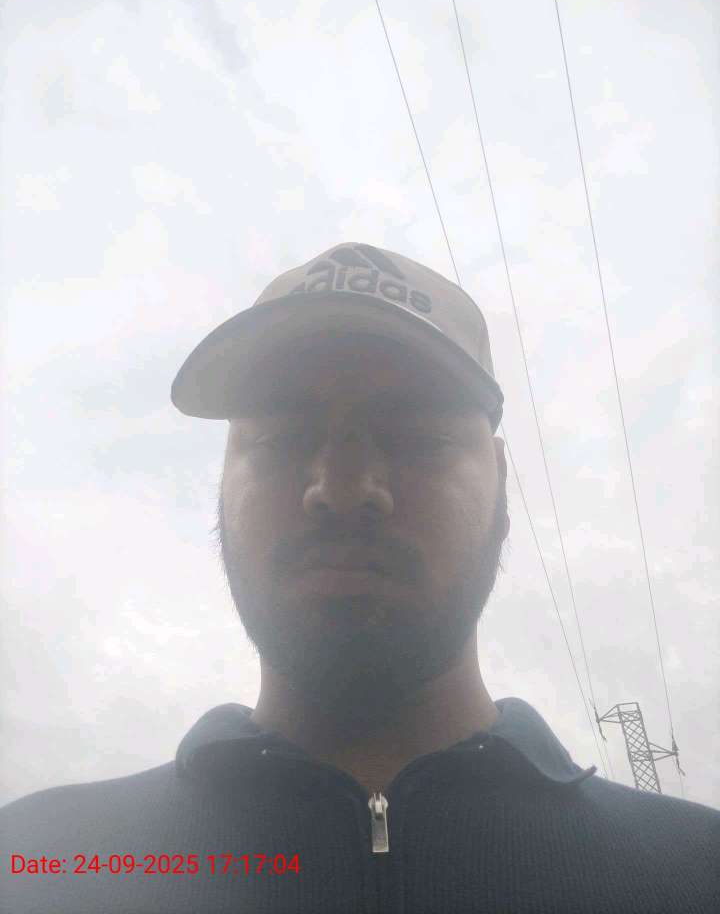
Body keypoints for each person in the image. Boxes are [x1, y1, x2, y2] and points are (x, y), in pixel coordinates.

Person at [1, 242, 718, 914]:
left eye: (416, 438)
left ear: (502, 488)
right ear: (221, 484)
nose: (342, 490)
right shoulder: (34, 867)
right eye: (281, 439)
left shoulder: (697, 872)